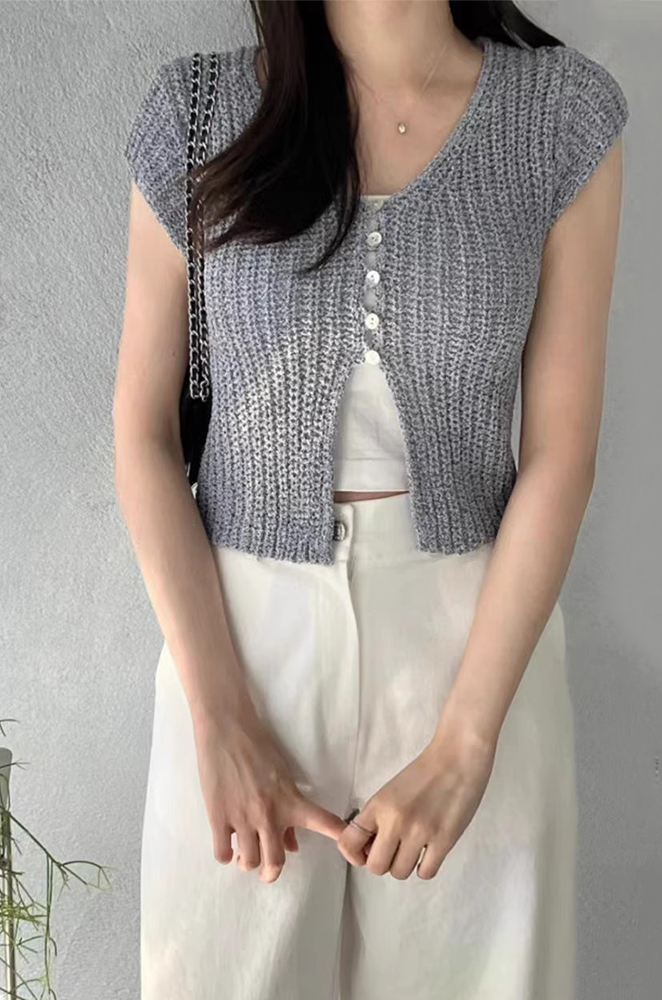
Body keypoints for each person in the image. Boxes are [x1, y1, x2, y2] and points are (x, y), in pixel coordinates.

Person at [113, 1, 629, 997]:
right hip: (239, 647)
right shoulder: (198, 112)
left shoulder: (562, 117)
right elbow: (143, 435)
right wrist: (219, 716)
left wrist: (467, 740)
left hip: (476, 646)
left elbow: (561, 453)